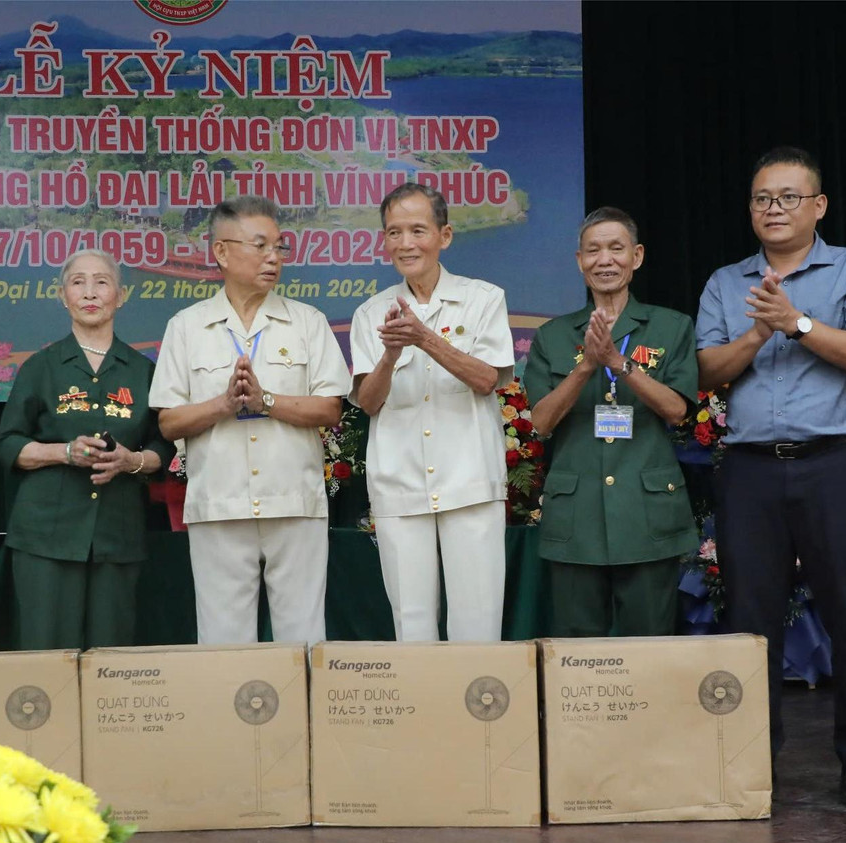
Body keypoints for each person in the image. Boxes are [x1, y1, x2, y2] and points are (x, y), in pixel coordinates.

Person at [696, 146, 846, 807]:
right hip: (751, 472)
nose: (772, 209)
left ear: (818, 206)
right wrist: (757, 335)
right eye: (761, 199)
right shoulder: (728, 282)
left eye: (786, 197)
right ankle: (756, 767)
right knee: (751, 625)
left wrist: (799, 323)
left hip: (835, 464)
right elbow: (706, 373)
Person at [150, 196, 350, 645]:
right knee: (223, 641)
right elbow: (168, 422)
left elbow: (330, 408)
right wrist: (222, 406)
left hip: (294, 501)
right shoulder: (187, 326)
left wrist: (266, 400)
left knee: (303, 638)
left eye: (279, 247)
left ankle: (305, 717)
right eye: (260, 246)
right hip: (219, 504)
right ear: (221, 252)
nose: (273, 258)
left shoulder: (308, 322)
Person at [350, 183, 514, 641]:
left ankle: (479, 713)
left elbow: (487, 380)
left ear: (445, 236)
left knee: (478, 624)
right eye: (394, 233)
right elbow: (368, 402)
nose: (405, 244)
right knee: (412, 624)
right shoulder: (370, 313)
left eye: (418, 230)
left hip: (470, 482)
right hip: (399, 485)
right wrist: (389, 355)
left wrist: (425, 338)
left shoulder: (484, 298)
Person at [522, 207, 698, 636]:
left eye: (616, 249)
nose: (605, 260)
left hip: (645, 511)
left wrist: (619, 364)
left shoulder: (671, 326)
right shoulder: (553, 335)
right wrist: (586, 366)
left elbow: (677, 410)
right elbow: (541, 422)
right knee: (577, 652)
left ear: (636, 257)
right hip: (576, 516)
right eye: (593, 250)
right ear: (579, 261)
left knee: (649, 643)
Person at [0, 250, 171, 650]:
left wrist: (133, 461)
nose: (90, 292)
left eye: (102, 282)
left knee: (111, 660)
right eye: (78, 282)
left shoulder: (143, 371)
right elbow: (8, 443)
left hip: (117, 535)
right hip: (46, 535)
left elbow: (165, 445)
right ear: (63, 296)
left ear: (121, 296)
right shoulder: (40, 367)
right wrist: (64, 452)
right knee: (46, 660)